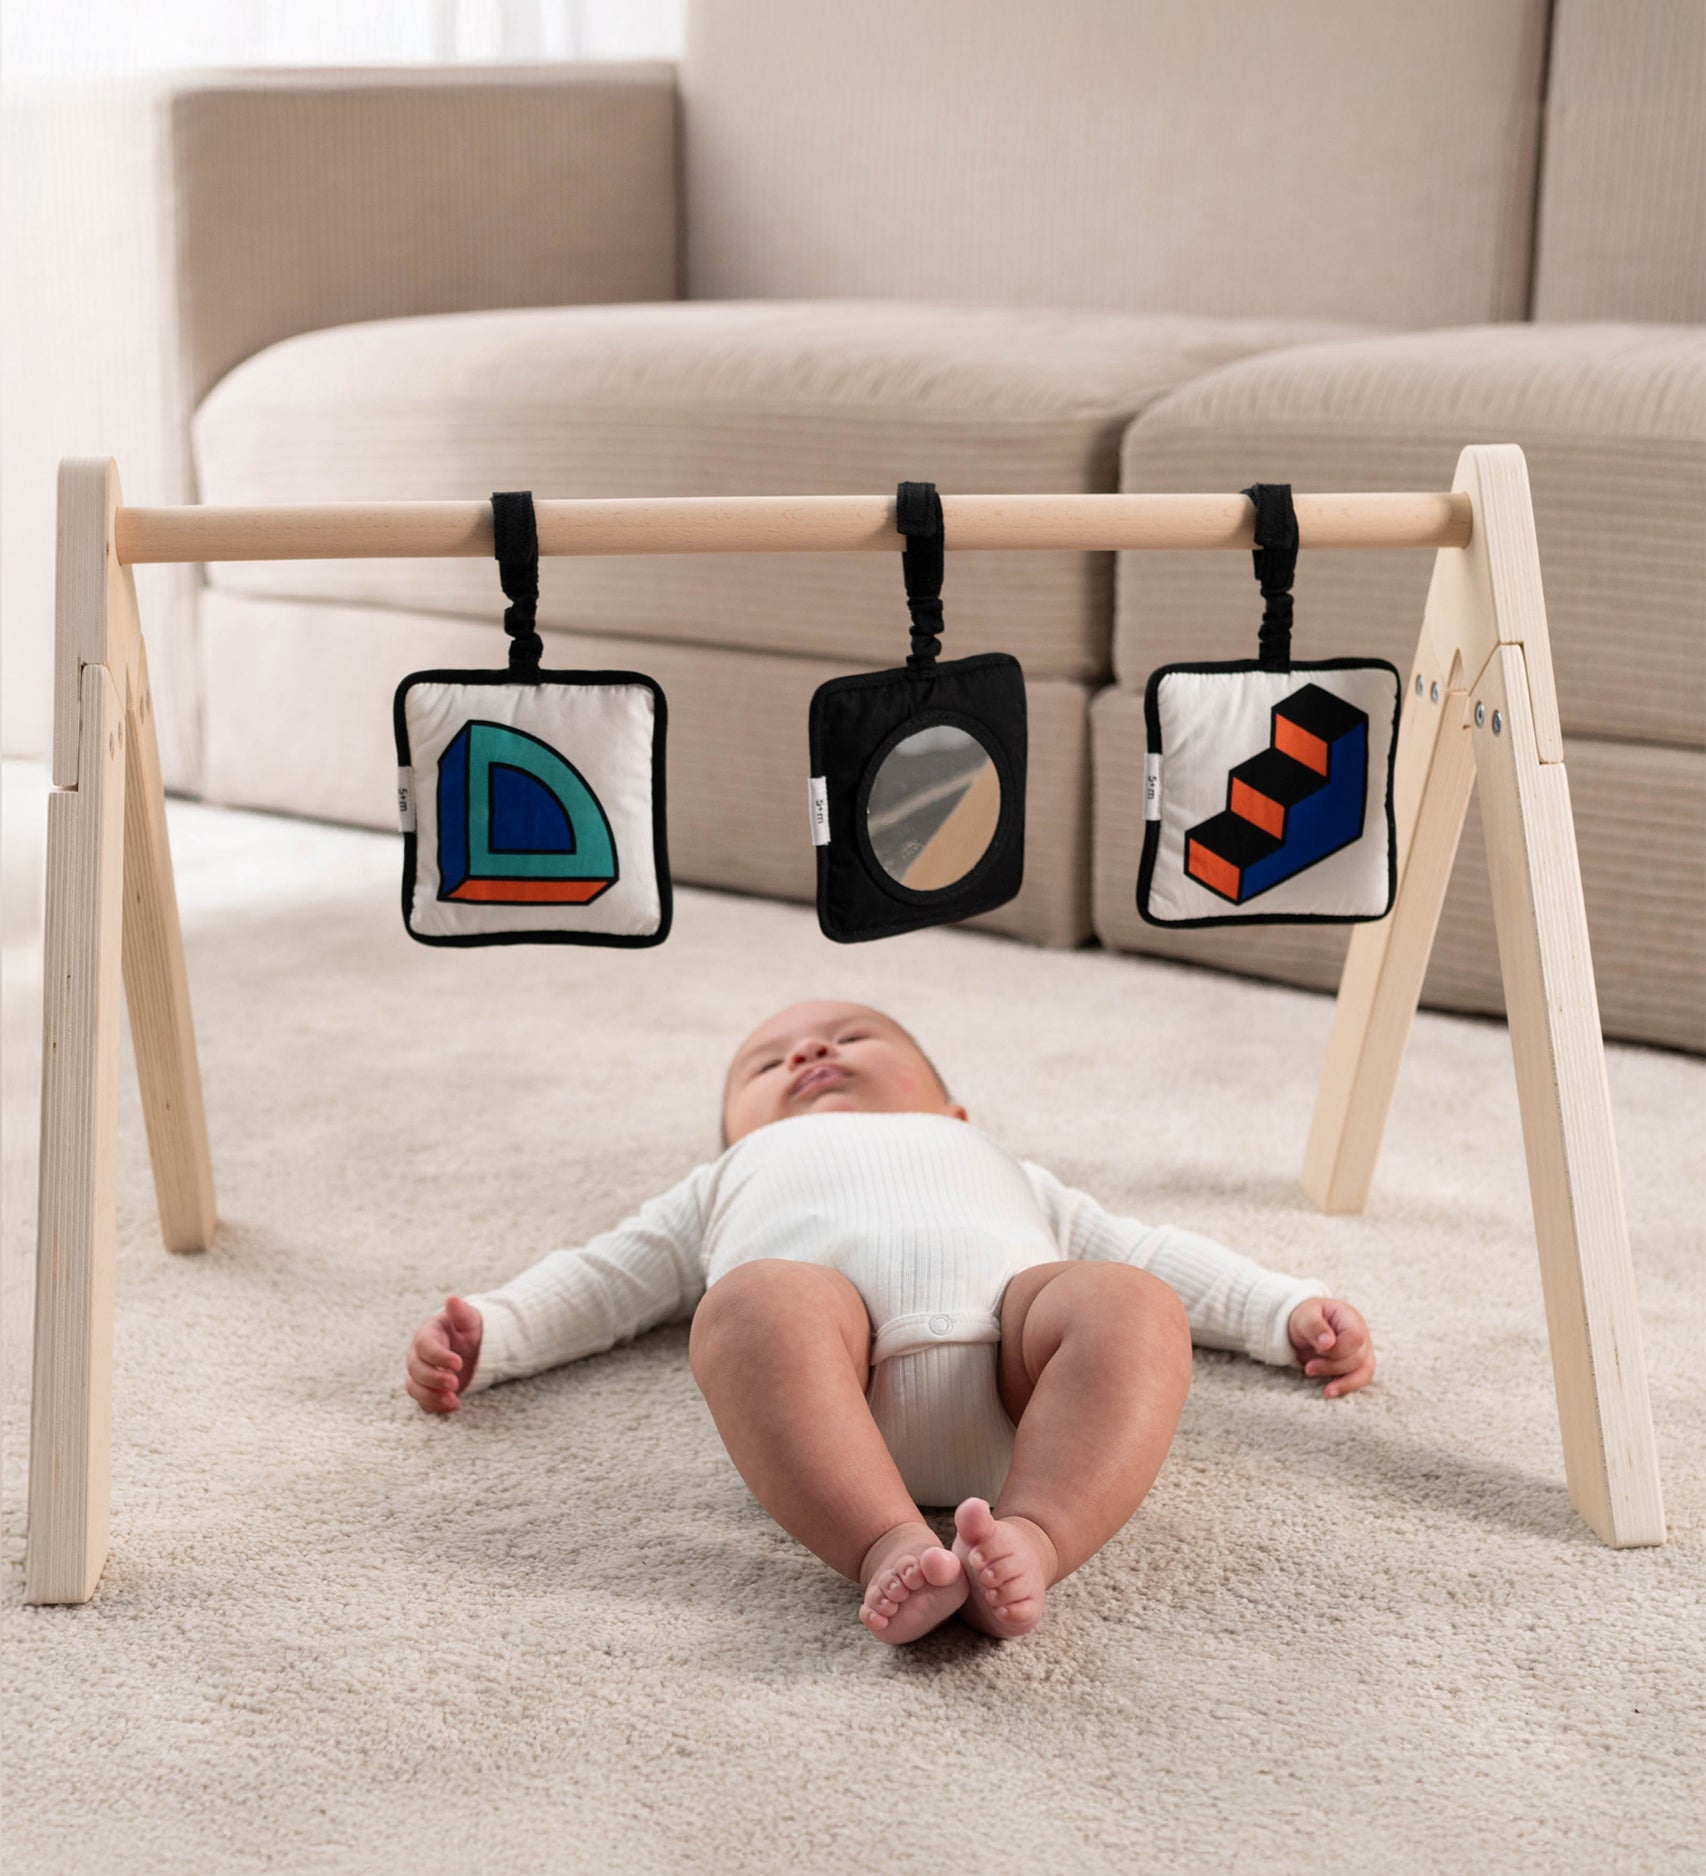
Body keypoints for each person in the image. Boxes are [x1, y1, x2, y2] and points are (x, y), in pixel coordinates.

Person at [405, 1001, 1374, 1645]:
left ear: (952, 1108)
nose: (810, 1051)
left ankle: (1037, 1532)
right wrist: (497, 1329)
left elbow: (1150, 1249)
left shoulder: (996, 1161)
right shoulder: (729, 1177)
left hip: (1024, 1381)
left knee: (1127, 1299)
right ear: (737, 1132)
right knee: (751, 1302)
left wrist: (1280, 1308)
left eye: (850, 1036)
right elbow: (609, 1273)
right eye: (768, 1061)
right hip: (837, 1394)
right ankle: (883, 1542)